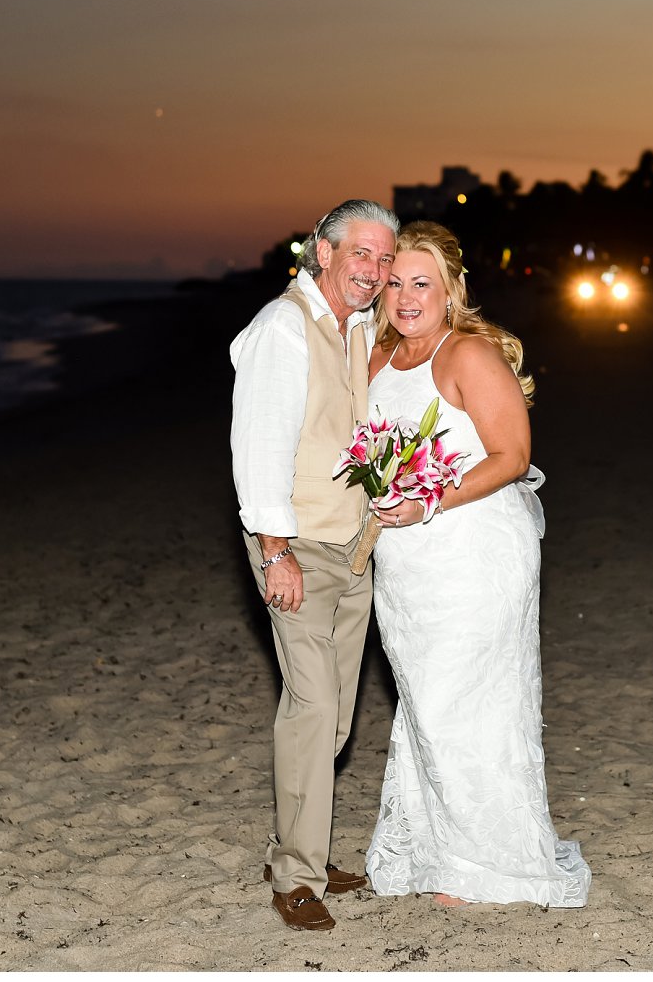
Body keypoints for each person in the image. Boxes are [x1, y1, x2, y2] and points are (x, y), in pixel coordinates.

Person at [363, 221, 590, 908]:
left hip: (475, 550)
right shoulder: (376, 359)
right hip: (406, 564)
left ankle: (489, 863)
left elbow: (512, 455)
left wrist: (426, 499)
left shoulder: (468, 354)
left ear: (452, 288)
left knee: (471, 702)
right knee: (427, 705)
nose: (406, 296)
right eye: (395, 281)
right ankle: (439, 850)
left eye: (421, 282)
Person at [229, 198, 399, 932]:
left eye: (386, 259)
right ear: (322, 252)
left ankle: (305, 840)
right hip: (295, 543)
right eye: (361, 253)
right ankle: (296, 876)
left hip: (351, 543)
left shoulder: (357, 328)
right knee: (313, 706)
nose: (375, 270)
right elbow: (258, 448)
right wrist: (275, 552)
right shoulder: (282, 329)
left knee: (332, 718)